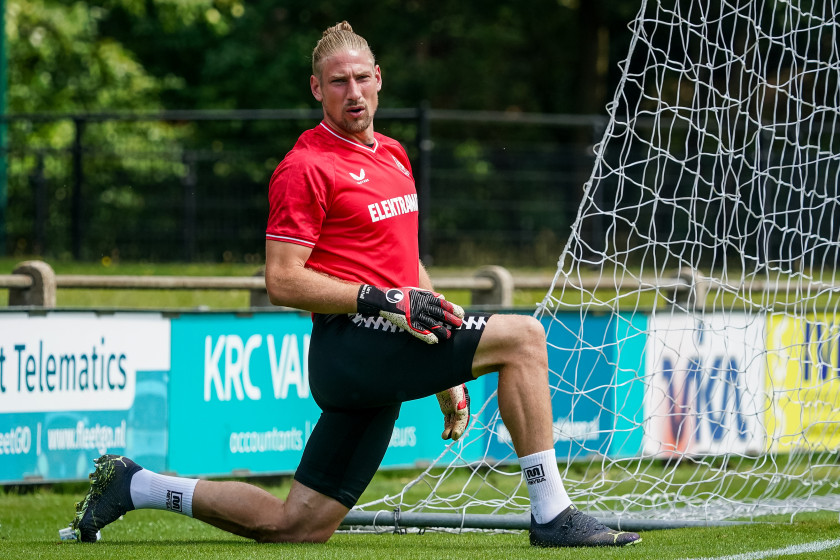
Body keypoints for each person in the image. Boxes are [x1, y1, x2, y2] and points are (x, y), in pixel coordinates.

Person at [70, 21, 641, 548]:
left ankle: (136, 484)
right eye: (338, 81)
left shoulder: (393, 153)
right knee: (524, 337)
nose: (353, 92)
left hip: (388, 345)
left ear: (379, 80)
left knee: (297, 525)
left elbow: (405, 267)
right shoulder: (304, 167)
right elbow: (283, 280)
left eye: (362, 78)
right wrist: (380, 299)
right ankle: (552, 513)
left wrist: (443, 355)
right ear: (316, 89)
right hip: (351, 350)